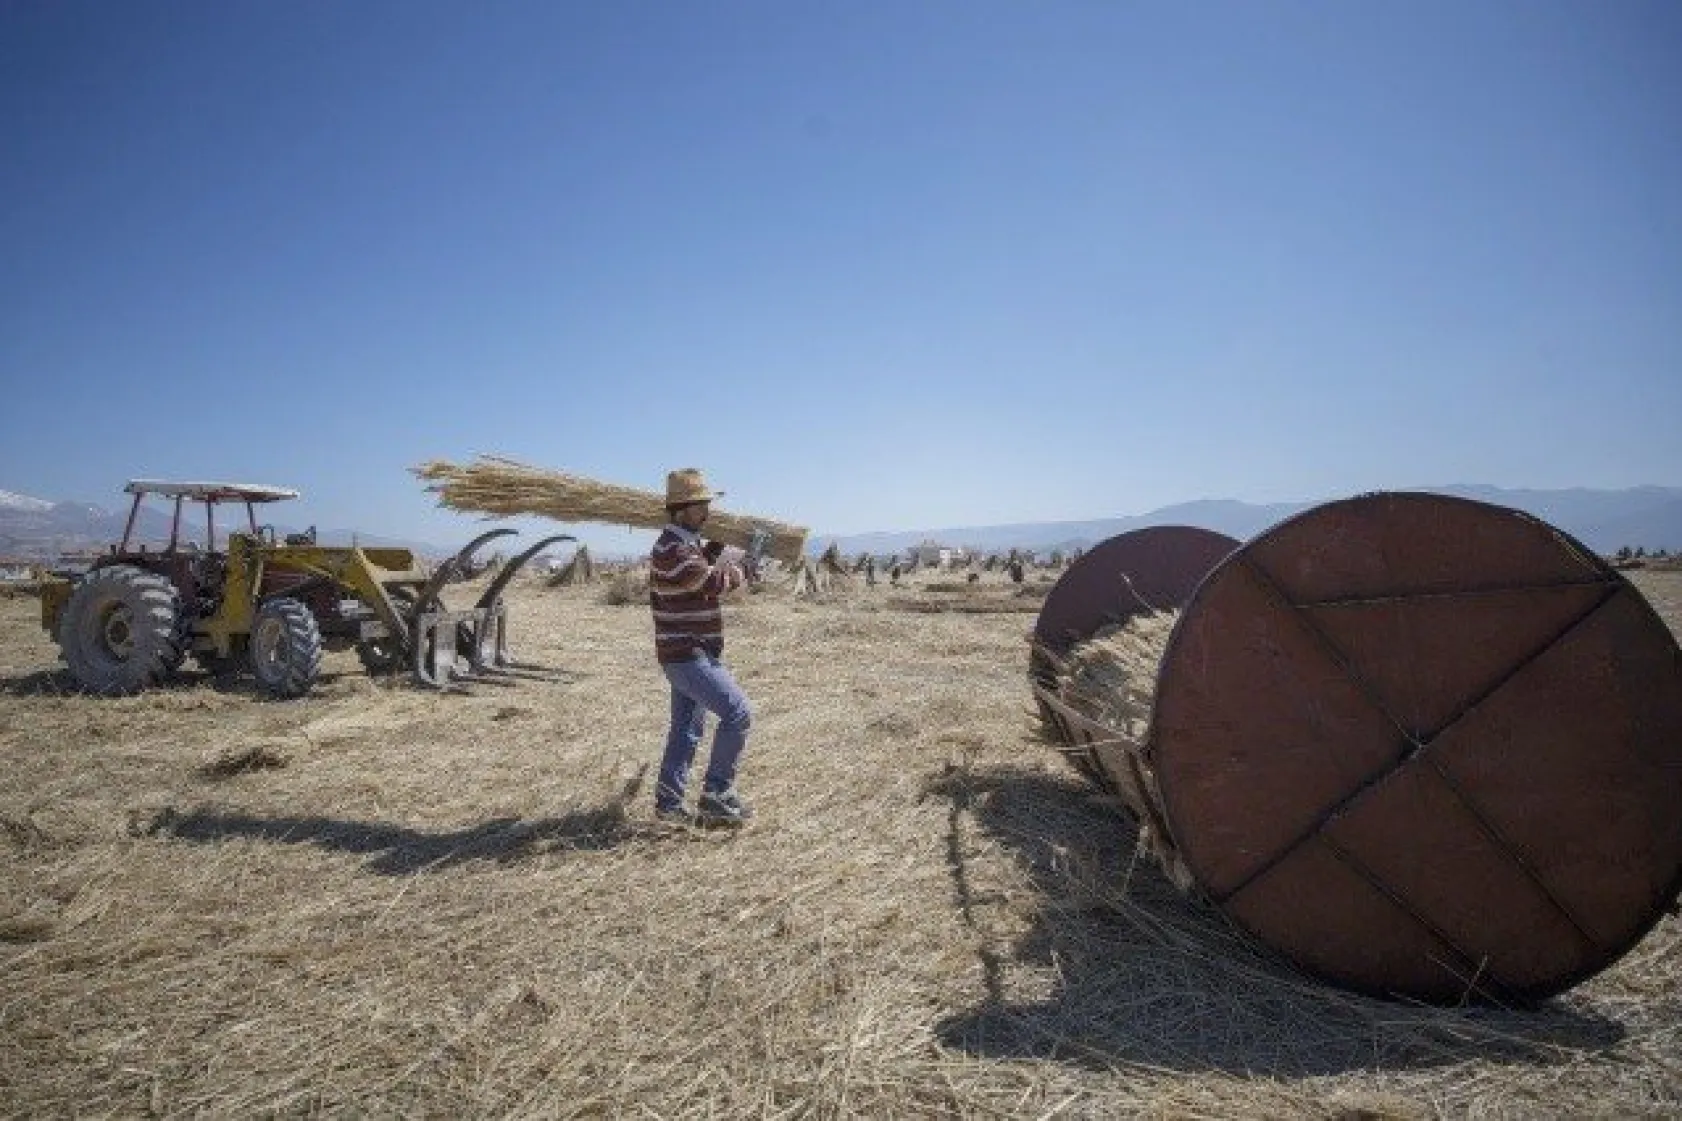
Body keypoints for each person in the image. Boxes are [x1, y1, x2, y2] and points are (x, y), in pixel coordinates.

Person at [649, 468, 758, 826]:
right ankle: (716, 793)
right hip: (688, 655)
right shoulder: (674, 548)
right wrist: (749, 565)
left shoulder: (681, 546)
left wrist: (713, 548)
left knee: (686, 730)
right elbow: (711, 582)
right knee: (738, 712)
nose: (707, 513)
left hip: (686, 653)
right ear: (681, 509)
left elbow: (696, 574)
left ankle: (669, 806)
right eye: (700, 507)